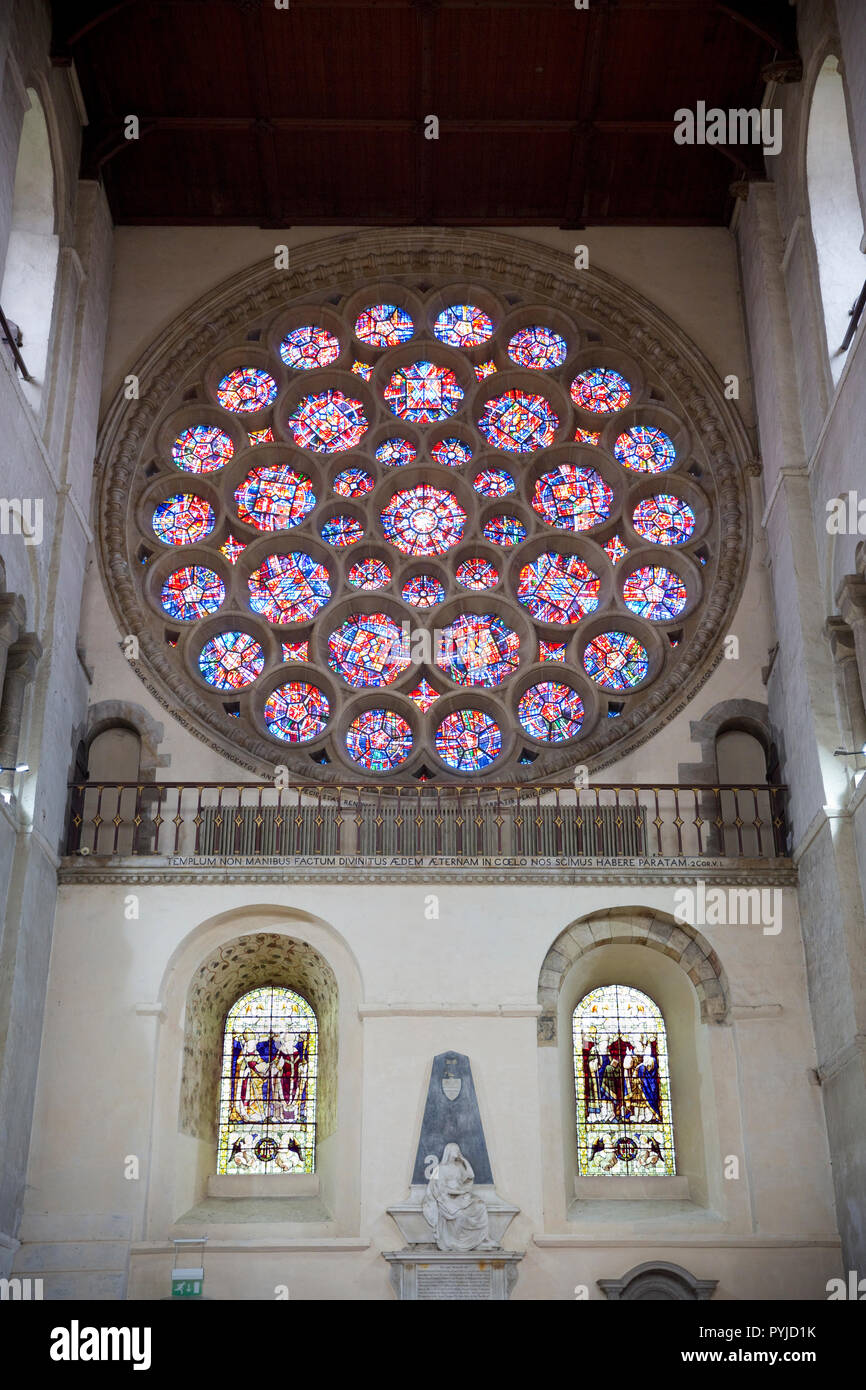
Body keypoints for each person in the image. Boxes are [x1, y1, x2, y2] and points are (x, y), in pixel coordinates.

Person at [422, 1144, 496, 1251]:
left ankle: (483, 1238)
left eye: (458, 1150)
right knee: (460, 1215)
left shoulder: (458, 1167)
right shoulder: (439, 1168)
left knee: (481, 1206)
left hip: (461, 1196)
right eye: (455, 1150)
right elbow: (439, 1189)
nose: (457, 1152)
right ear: (449, 1152)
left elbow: (470, 1176)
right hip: (447, 1199)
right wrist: (456, 1192)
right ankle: (458, 1242)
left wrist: (464, 1161)